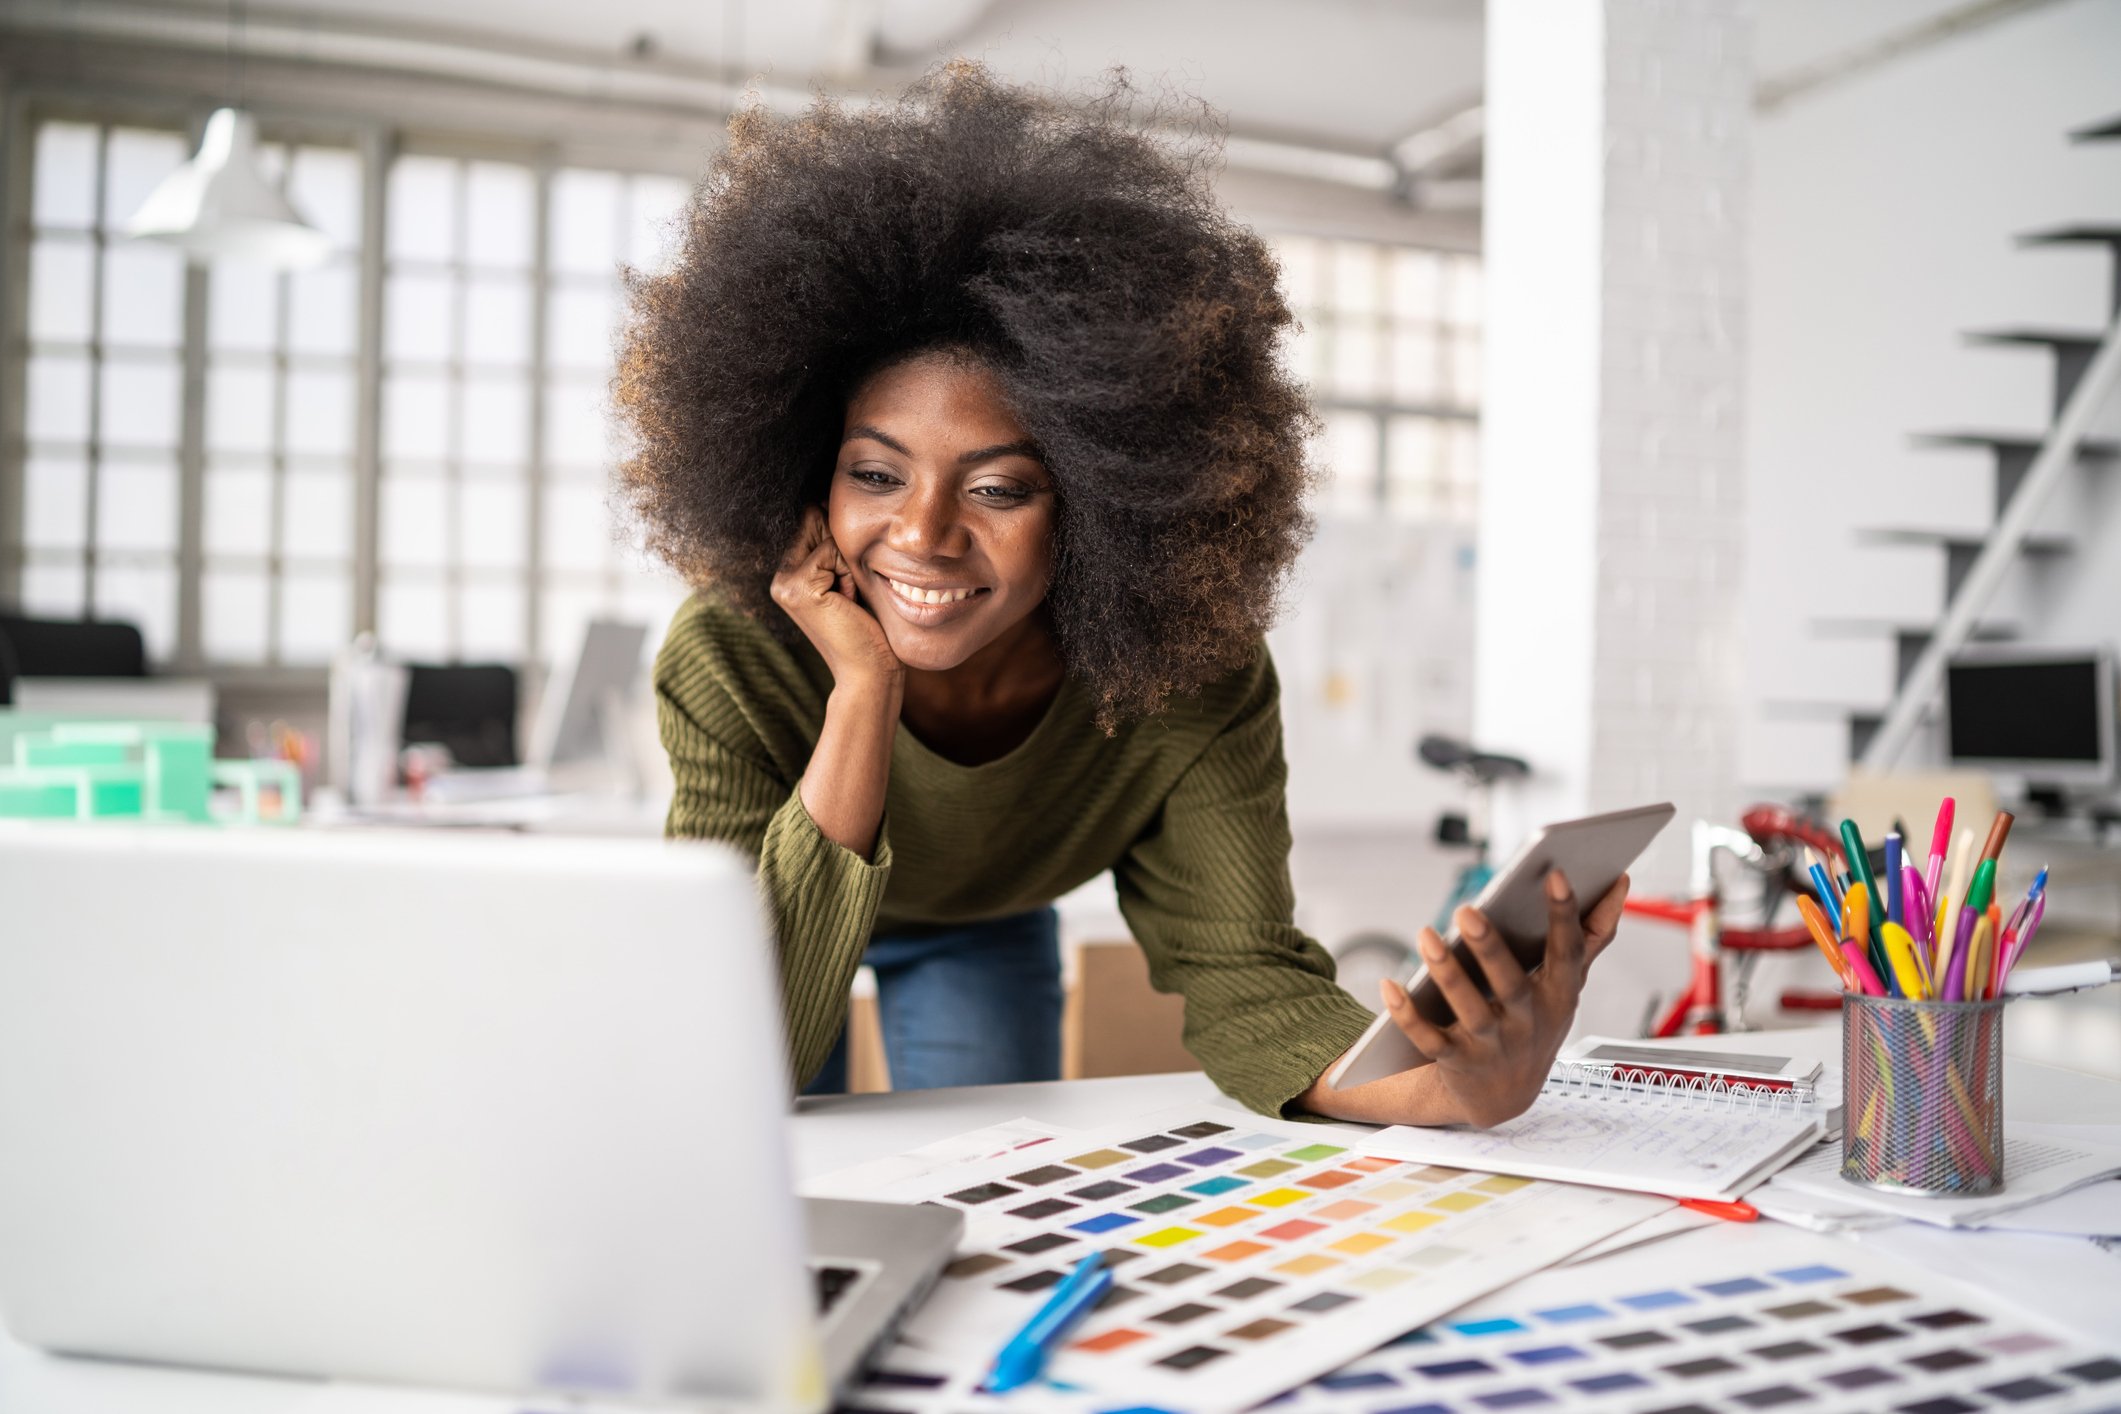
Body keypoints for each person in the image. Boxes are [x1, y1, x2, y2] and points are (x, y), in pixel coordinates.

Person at [617, 64, 1628, 1123]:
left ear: (1102, 502)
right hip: (778, 912)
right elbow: (734, 1042)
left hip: (987, 917)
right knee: (752, 1155)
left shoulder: (1183, 667)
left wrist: (1449, 1089)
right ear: (805, 466)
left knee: (984, 1196)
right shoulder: (731, 650)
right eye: (875, 474)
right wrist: (862, 692)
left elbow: (1247, 976)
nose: (921, 535)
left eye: (1000, 487)